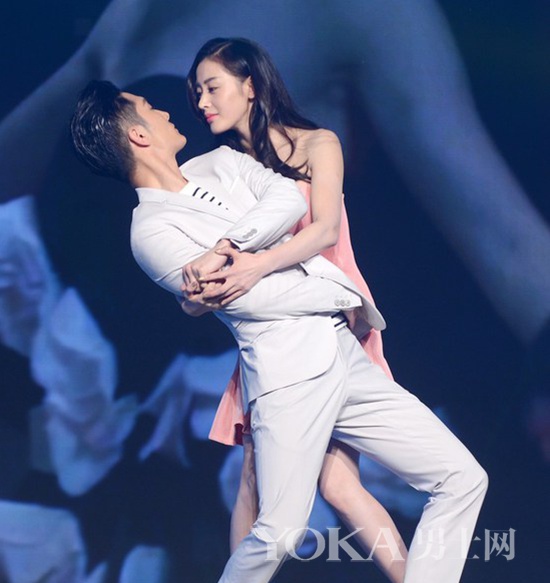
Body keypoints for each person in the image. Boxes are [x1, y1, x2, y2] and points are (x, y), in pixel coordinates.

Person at [70, 79, 487, 583]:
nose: (167, 112)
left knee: (462, 477)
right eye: (150, 109)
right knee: (280, 532)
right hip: (287, 372)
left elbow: (287, 200)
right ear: (138, 135)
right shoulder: (151, 232)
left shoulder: (220, 162)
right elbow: (249, 301)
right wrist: (333, 292)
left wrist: (230, 249)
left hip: (342, 351)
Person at [183, 37, 406, 582]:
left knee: (339, 485)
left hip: (336, 322)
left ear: (250, 85)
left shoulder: (318, 144)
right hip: (272, 336)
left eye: (211, 87)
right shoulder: (225, 171)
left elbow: (325, 230)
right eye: (196, 93)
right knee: (254, 478)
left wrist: (256, 266)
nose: (202, 102)